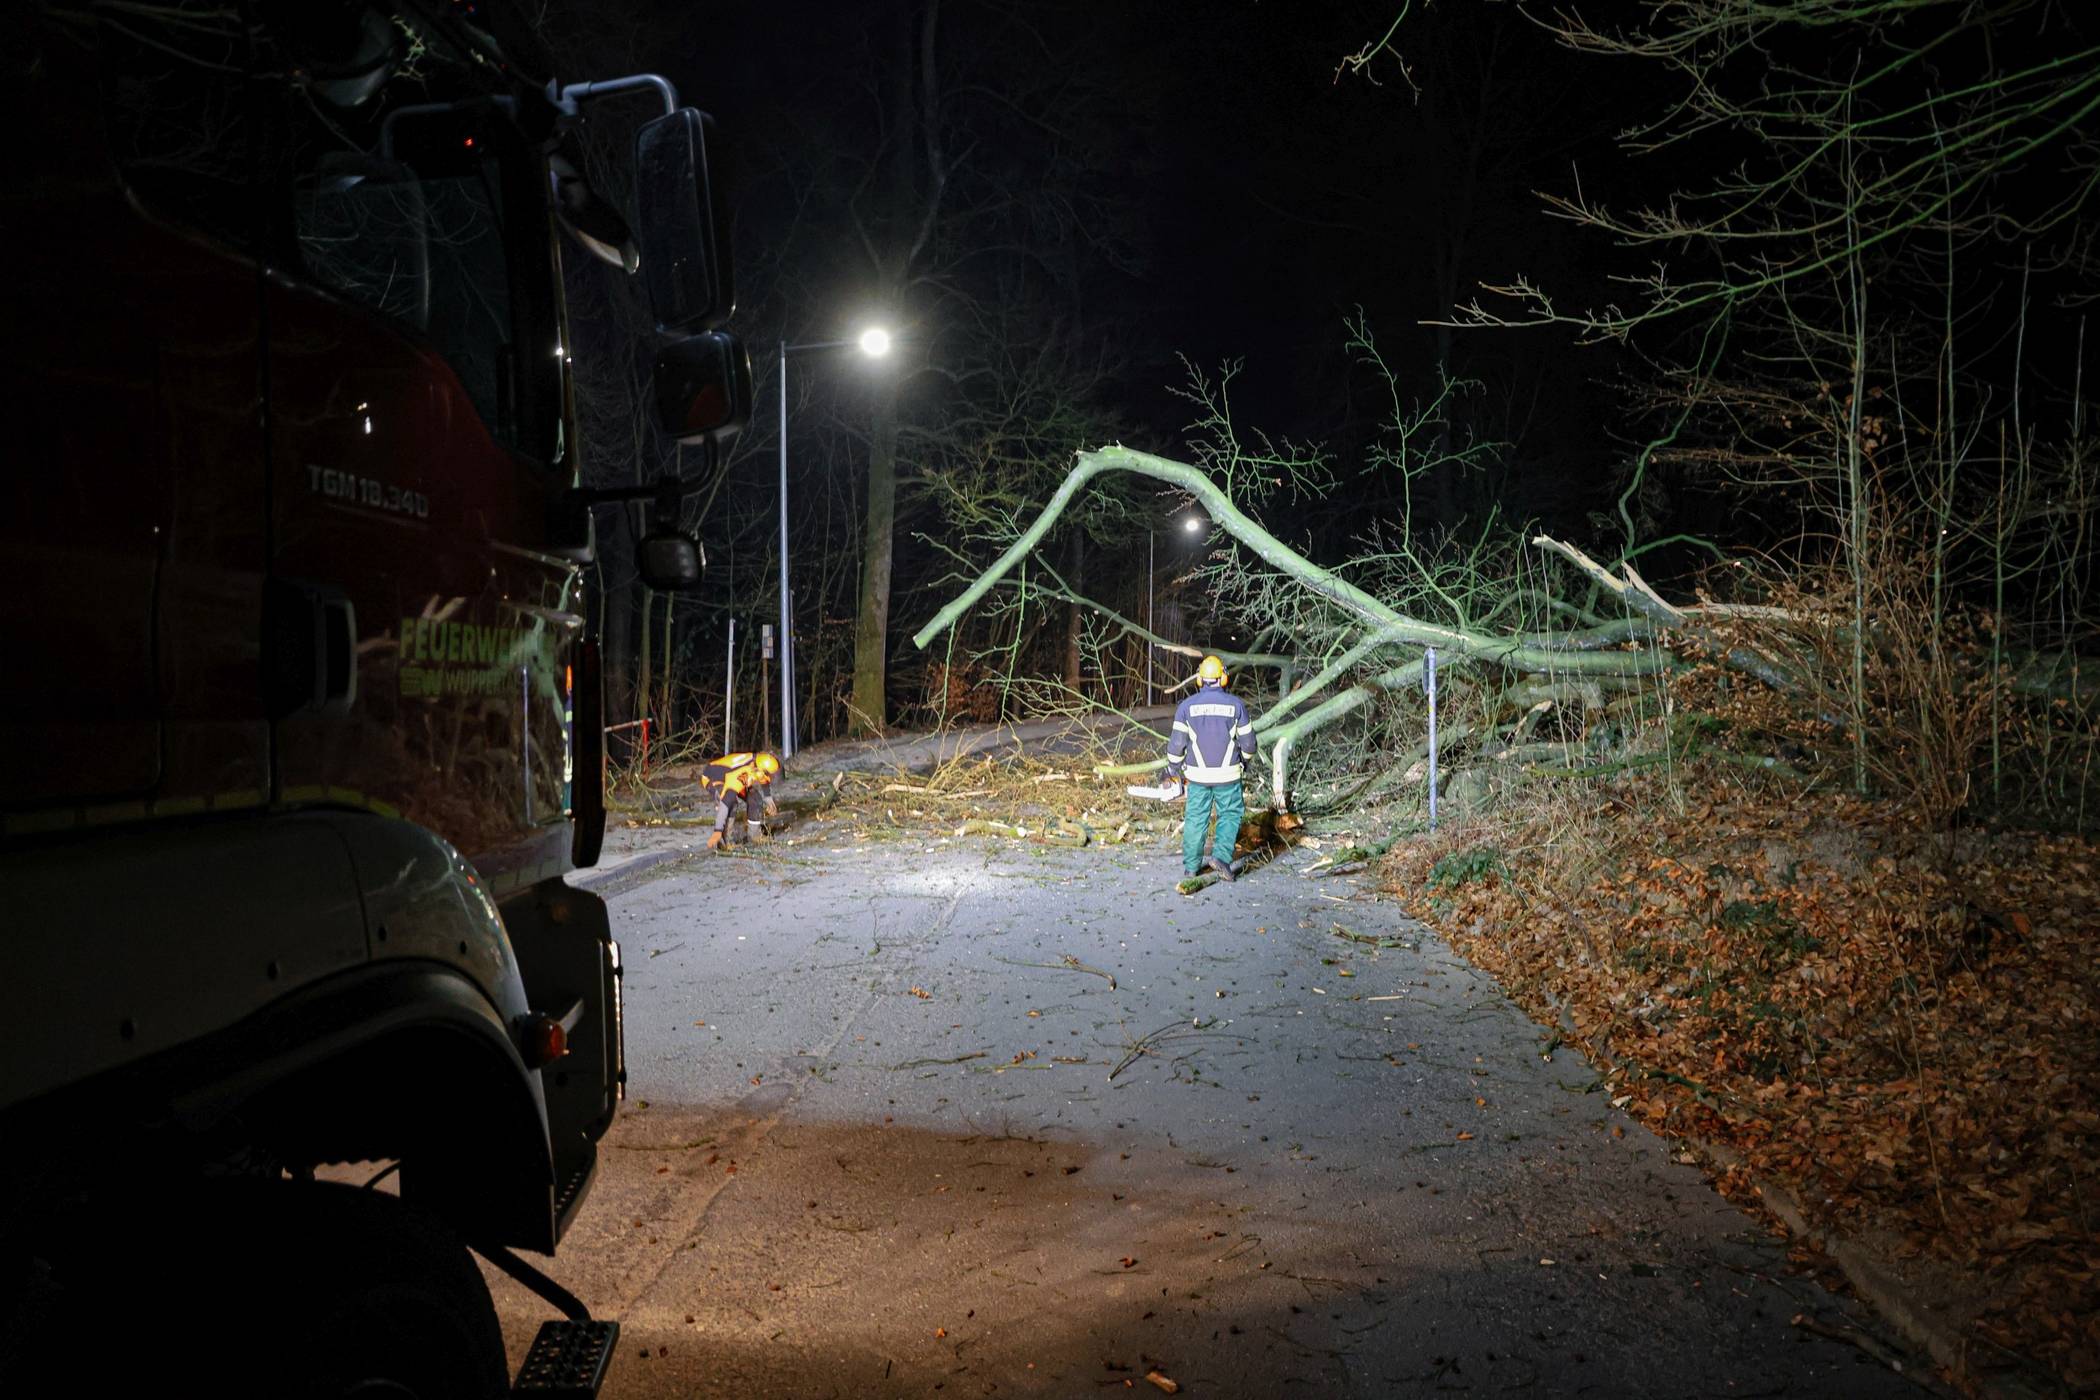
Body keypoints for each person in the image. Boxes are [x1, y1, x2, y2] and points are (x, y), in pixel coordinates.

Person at [1164, 655, 1258, 882]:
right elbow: (1249, 744)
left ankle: (1191, 867)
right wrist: (1244, 762)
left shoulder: (1186, 707)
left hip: (1197, 776)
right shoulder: (1236, 705)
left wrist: (1172, 769)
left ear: (1200, 679)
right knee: (1230, 814)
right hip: (1228, 775)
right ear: (1223, 678)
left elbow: (1177, 744)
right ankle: (1221, 858)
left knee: (1196, 818)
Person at [702, 751, 781, 850]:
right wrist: (717, 830)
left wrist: (768, 798)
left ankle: (754, 835)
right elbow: (726, 803)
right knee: (732, 804)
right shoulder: (741, 775)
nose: (770, 779)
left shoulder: (759, 762)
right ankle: (727, 841)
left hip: (730, 774)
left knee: (755, 799)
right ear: (759, 770)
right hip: (713, 777)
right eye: (770, 776)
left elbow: (763, 779)